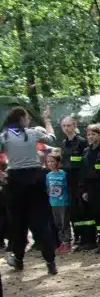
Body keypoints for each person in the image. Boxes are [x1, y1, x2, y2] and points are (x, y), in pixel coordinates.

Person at [1, 107, 58, 274]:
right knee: (41, 221)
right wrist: (47, 120)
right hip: (35, 178)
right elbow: (52, 138)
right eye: (26, 117)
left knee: (18, 222)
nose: (28, 120)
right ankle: (50, 261)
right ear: (21, 118)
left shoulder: (4, 136)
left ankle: (18, 259)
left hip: (15, 180)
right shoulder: (33, 133)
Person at [81, 124, 100, 252]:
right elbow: (84, 172)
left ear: (99, 135)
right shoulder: (86, 151)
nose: (91, 137)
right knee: (97, 215)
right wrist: (84, 190)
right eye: (88, 135)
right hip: (91, 187)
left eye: (93, 134)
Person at [59, 116, 87, 247]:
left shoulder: (81, 142)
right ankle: (77, 235)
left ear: (74, 125)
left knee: (82, 208)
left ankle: (87, 236)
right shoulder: (63, 143)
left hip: (79, 180)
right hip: (68, 180)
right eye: (64, 126)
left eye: (69, 125)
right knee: (73, 210)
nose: (66, 128)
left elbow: (85, 162)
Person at [46, 151, 72, 253]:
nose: (50, 163)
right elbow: (48, 188)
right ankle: (62, 242)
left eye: (52, 161)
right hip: (53, 203)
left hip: (63, 202)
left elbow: (67, 187)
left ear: (58, 162)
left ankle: (67, 242)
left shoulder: (63, 174)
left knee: (65, 222)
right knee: (58, 223)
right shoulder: (48, 175)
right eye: (48, 162)